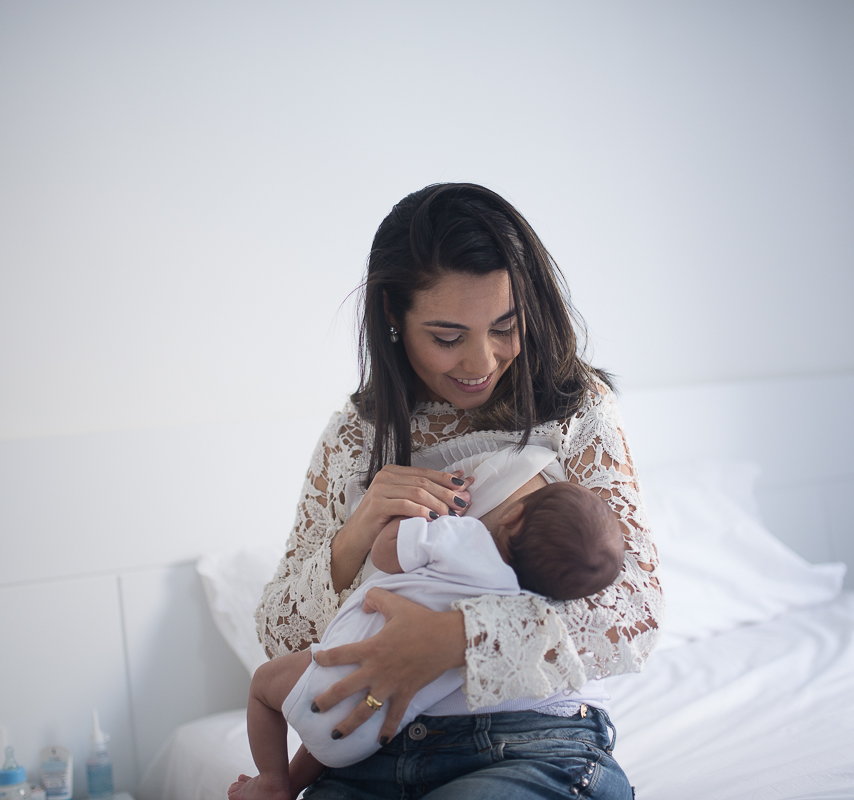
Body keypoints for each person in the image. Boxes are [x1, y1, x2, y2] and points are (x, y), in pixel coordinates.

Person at [253, 183, 662, 799]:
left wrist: (449, 641)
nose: (481, 360)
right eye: (448, 337)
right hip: (370, 755)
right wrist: (360, 529)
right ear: (393, 315)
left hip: (530, 740)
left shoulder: (575, 412)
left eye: (506, 326)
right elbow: (279, 635)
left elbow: (631, 611)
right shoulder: (356, 436)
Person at [230, 475, 626, 800]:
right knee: (350, 714)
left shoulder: (466, 537)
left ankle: (273, 781)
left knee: (264, 684)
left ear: (513, 515)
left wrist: (418, 521)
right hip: (374, 735)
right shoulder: (524, 614)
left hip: (332, 688)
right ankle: (287, 783)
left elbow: (387, 555)